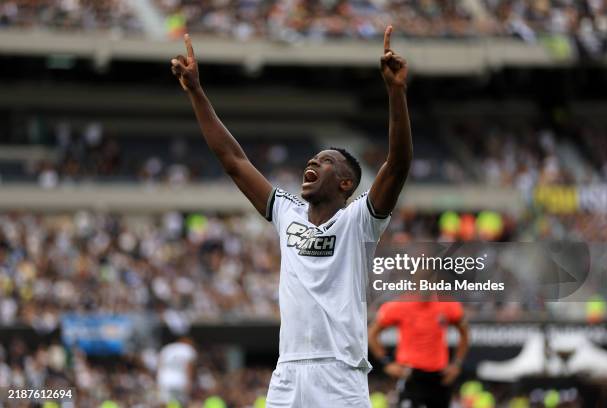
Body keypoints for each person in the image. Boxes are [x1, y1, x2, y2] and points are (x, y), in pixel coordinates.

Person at [170, 25, 412, 407]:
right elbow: (234, 161)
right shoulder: (287, 212)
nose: (313, 162)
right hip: (288, 373)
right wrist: (197, 93)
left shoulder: (359, 222)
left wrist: (396, 92)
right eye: (313, 159)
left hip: (340, 374)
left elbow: (397, 165)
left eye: (326, 162)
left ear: (347, 184)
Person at [368, 295, 470, 408]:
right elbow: (372, 334)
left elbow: (465, 332)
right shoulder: (398, 306)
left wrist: (457, 364)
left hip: (440, 376)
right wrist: (386, 362)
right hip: (410, 375)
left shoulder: (447, 305)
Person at [157, 337, 197, 405]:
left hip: (164, 379)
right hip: (180, 380)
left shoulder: (166, 348)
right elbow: (189, 366)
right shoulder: (188, 349)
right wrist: (190, 381)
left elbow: (160, 365)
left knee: (164, 402)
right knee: (182, 402)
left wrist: (158, 380)